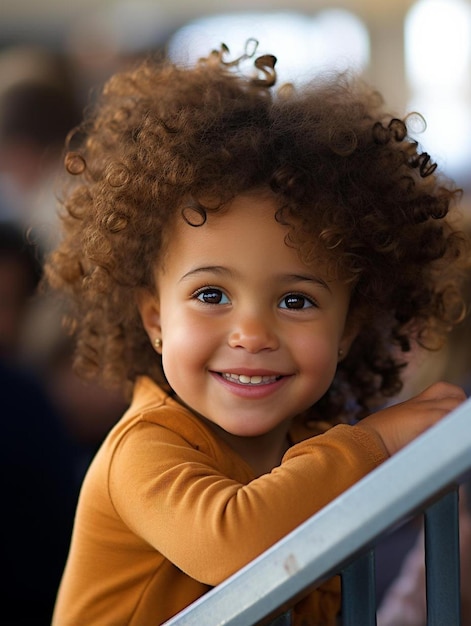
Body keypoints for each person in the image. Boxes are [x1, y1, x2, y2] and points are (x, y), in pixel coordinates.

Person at [43, 41, 470, 626]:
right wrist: (380, 443)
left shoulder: (313, 451)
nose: (250, 333)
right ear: (154, 319)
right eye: (211, 295)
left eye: (295, 300)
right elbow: (234, 541)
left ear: (349, 330)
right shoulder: (142, 451)